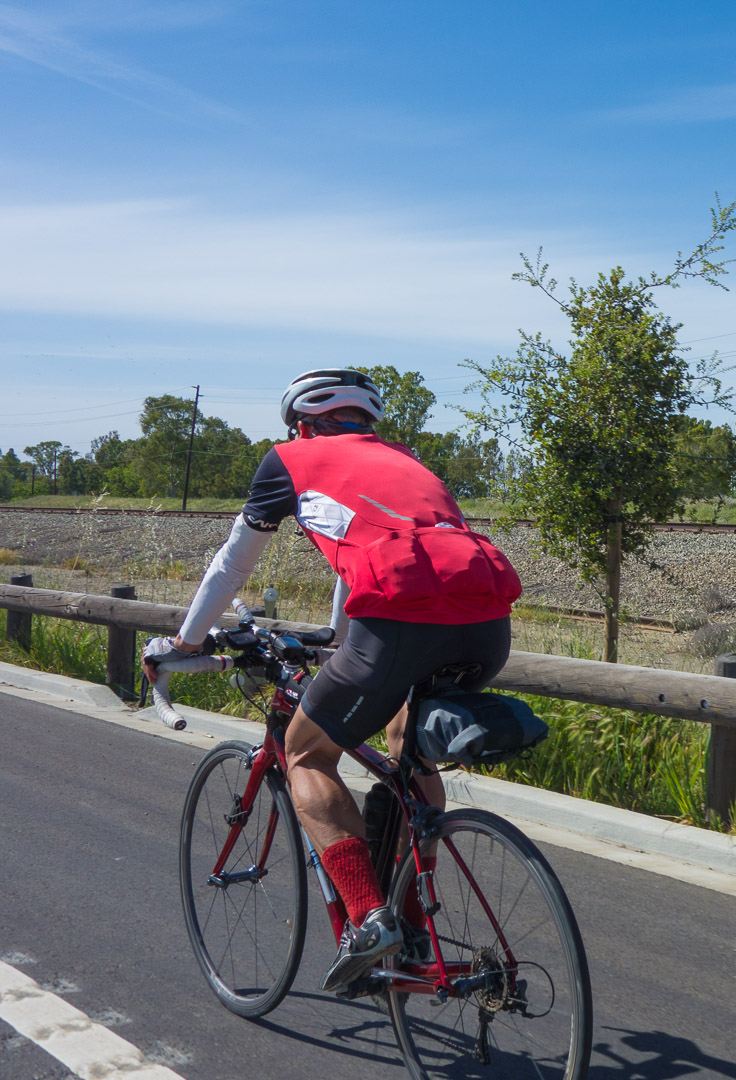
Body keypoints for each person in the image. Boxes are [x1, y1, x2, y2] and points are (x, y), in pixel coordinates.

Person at [143, 369, 522, 992]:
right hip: (486, 628)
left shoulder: (290, 460)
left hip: (398, 627)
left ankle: (370, 918)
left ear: (302, 426)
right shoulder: (406, 460)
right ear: (365, 423)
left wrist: (183, 643)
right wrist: (342, 639)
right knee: (406, 751)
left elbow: (232, 565)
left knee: (306, 753)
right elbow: (373, 549)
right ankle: (411, 923)